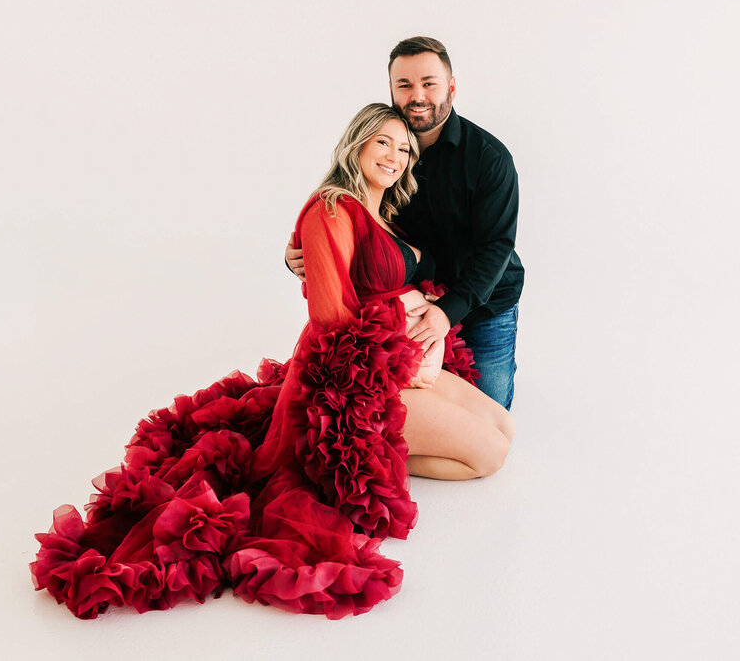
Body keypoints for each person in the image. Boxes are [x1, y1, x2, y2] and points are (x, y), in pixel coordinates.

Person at [30, 104, 514, 621]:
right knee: (489, 457)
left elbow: (395, 280)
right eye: (382, 143)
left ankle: (372, 454)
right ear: (357, 144)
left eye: (403, 148)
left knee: (503, 425)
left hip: (394, 361)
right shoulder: (331, 207)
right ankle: (344, 458)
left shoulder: (388, 212)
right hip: (347, 382)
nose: (395, 156)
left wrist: (421, 313)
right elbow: (331, 317)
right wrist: (406, 309)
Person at [287, 37, 524, 409]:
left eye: (429, 83)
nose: (418, 95)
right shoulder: (386, 153)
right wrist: (304, 254)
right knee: (431, 417)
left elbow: (496, 246)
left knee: (491, 412)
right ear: (392, 91)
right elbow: (355, 219)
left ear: (452, 87)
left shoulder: (488, 159)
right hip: (412, 308)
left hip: (482, 304)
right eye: (405, 85)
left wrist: (447, 312)